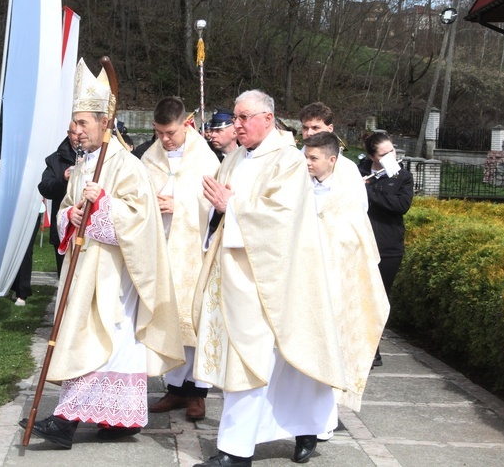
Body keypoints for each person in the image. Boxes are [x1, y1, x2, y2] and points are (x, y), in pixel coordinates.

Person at [19, 58, 184, 449]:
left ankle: (66, 423)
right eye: (73, 124)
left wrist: (105, 203)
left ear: (103, 123)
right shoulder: (83, 165)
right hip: (85, 268)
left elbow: (141, 218)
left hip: (113, 275)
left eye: (82, 124)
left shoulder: (125, 165)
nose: (75, 131)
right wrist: (72, 213)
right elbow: (66, 212)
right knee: (94, 340)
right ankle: (118, 420)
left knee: (96, 340)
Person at [193, 90, 345, 466]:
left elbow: (282, 220)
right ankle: (278, 433)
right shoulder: (234, 158)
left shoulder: (289, 161)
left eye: (244, 118)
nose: (237, 125)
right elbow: (217, 211)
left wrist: (234, 207)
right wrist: (216, 212)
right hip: (234, 275)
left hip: (272, 278)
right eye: (236, 118)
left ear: (268, 118)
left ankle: (241, 449)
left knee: (263, 361)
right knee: (254, 361)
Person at [141, 97, 220, 420]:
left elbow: (215, 207)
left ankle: (197, 392)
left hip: (193, 254)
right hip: (160, 249)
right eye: (158, 132)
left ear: (185, 124)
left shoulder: (206, 159)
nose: (164, 139)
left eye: (169, 132)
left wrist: (181, 206)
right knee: (167, 318)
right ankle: (174, 388)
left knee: (194, 319)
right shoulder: (149, 157)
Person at [303, 132, 389, 414]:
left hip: (336, 280)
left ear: (331, 160)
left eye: (313, 158)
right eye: (305, 156)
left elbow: (355, 236)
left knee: (333, 346)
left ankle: (324, 413)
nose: (307, 163)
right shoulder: (298, 185)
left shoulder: (347, 193)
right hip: (304, 279)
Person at [358, 131, 414, 367]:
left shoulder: (403, 176)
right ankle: (367, 349)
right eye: (384, 153)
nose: (391, 155)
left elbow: (401, 205)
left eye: (392, 150)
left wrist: (370, 191)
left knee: (380, 298)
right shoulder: (357, 172)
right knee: (361, 297)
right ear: (373, 156)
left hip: (389, 246)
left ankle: (373, 347)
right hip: (360, 244)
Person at [0, 159, 43, 307]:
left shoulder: (35, 163)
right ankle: (14, 285)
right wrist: (11, 195)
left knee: (26, 250)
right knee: (12, 249)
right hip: (10, 212)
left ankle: (23, 291)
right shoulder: (3, 163)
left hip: (31, 212)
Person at [299, 102, 367, 212]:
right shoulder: (292, 162)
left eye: (315, 127)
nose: (309, 133)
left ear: (330, 128)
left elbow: (361, 209)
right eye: (305, 128)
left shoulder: (348, 168)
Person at [38, 121, 82, 277]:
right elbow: (44, 188)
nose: (78, 137)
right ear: (68, 133)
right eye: (74, 133)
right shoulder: (55, 159)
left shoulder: (95, 155)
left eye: (81, 133)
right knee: (64, 277)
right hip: (64, 226)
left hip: (88, 227)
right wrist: (63, 178)